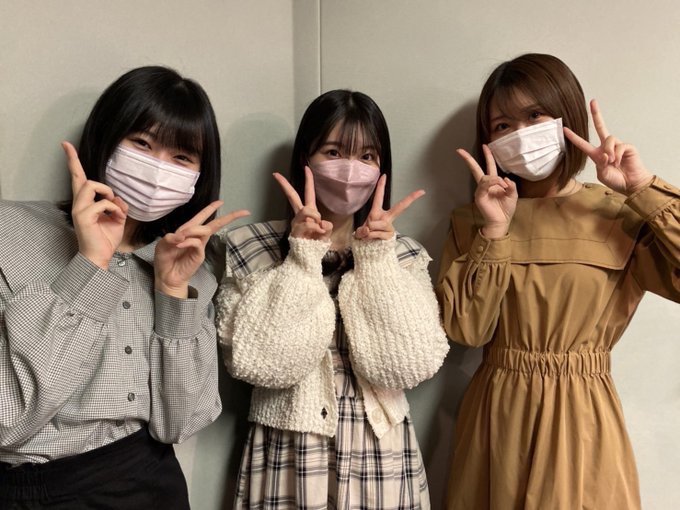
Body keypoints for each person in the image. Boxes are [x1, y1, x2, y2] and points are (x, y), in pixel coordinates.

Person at [436, 52, 680, 509]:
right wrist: (495, 232)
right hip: (496, 419)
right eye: (502, 125)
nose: (520, 134)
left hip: (582, 415)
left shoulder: (617, 212)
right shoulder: (473, 220)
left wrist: (643, 188)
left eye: (535, 116)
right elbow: (465, 330)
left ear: (566, 118)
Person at [0, 66, 248, 509]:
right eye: (142, 144)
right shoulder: (11, 233)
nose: (158, 170)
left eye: (182, 157)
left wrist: (172, 290)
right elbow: (8, 420)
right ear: (107, 136)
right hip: (32, 488)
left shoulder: (191, 269)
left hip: (151, 483)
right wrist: (91, 263)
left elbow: (179, 424)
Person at [215, 89, 449, 509]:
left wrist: (377, 262)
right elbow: (257, 363)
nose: (350, 169)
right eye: (334, 151)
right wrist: (302, 258)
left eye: (367, 156)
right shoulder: (250, 246)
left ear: (381, 169)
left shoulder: (404, 255)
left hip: (381, 449)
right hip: (289, 450)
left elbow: (411, 364)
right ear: (306, 158)